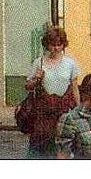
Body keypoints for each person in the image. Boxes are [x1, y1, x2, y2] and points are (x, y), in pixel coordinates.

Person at [23, 25, 79, 158]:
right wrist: (36, 79)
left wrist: (78, 108)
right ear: (47, 45)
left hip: (63, 110)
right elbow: (28, 86)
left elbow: (75, 88)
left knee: (62, 144)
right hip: (43, 111)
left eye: (59, 44)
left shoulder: (70, 63)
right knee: (40, 146)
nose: (56, 48)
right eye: (52, 44)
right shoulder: (39, 62)